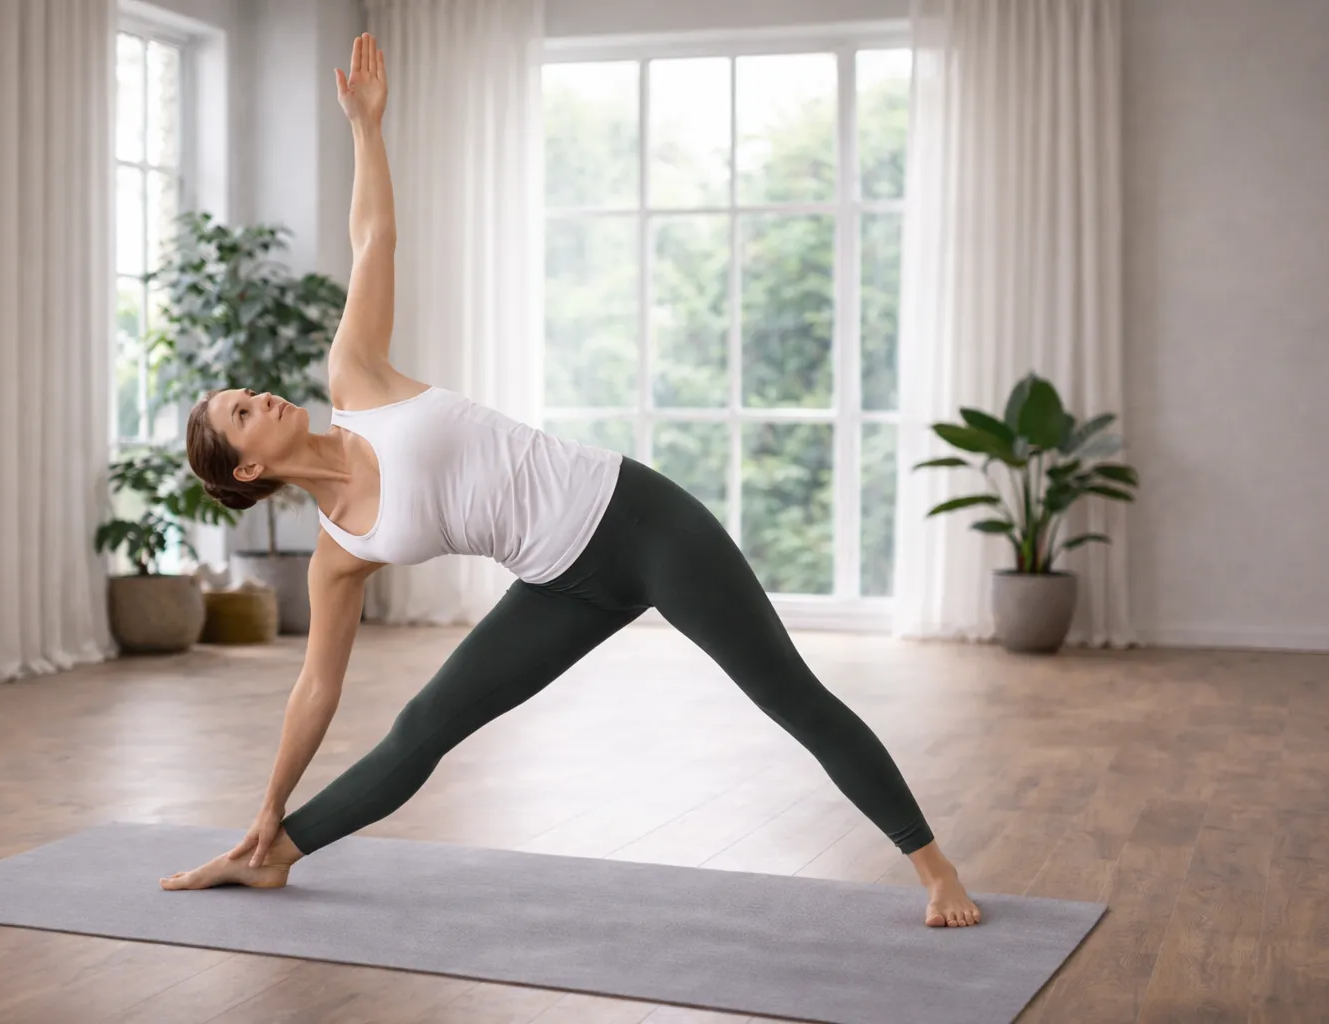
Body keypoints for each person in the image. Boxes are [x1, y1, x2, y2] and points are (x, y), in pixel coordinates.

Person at [161, 32, 981, 929]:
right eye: (243, 412)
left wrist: (367, 129)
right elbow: (315, 688)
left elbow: (373, 238)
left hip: (643, 523)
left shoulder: (357, 382)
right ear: (248, 468)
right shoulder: (339, 554)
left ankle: (935, 868)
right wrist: (269, 801)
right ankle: (271, 855)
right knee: (425, 727)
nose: (261, 397)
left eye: (249, 393)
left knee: (788, 694)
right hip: (560, 584)